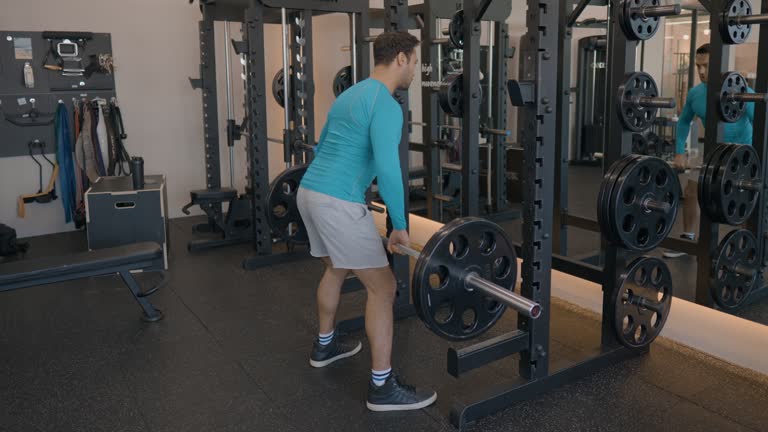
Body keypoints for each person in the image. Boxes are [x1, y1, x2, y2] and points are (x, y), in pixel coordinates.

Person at [296, 31, 437, 412]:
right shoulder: (387, 106)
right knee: (384, 287)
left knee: (335, 268)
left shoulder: (350, 94)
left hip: (308, 191)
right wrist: (398, 222)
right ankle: (382, 387)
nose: (415, 71)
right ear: (402, 59)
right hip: (336, 200)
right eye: (415, 61)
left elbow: (324, 144)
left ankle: (325, 345)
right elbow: (390, 169)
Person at [664, 44, 755, 258]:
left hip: (743, 153)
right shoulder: (696, 94)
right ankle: (687, 238)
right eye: (698, 66)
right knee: (692, 191)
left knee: (744, 197)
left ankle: (745, 246)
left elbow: (760, 122)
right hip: (713, 151)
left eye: (706, 65)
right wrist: (679, 152)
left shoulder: (743, 92)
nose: (701, 71)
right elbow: (684, 122)